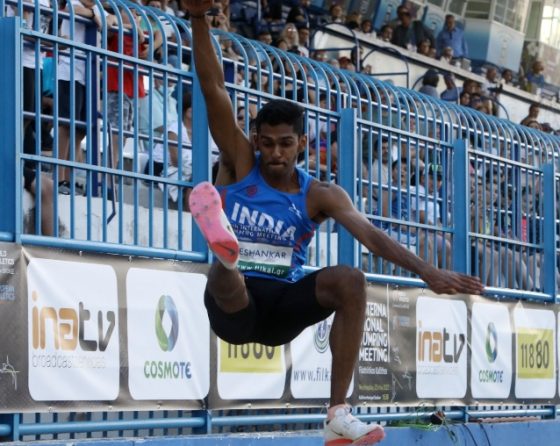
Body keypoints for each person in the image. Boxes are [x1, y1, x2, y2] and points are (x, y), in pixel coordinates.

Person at [184, 1, 484, 444]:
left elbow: (371, 236)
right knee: (227, 276)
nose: (276, 154)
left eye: (286, 144)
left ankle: (337, 414)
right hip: (234, 309)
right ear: (256, 141)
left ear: (302, 143)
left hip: (282, 307)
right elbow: (213, 89)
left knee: (350, 279)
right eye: (267, 143)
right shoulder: (242, 162)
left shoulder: (319, 194)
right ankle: (226, 251)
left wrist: (428, 272)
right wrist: (197, 19)